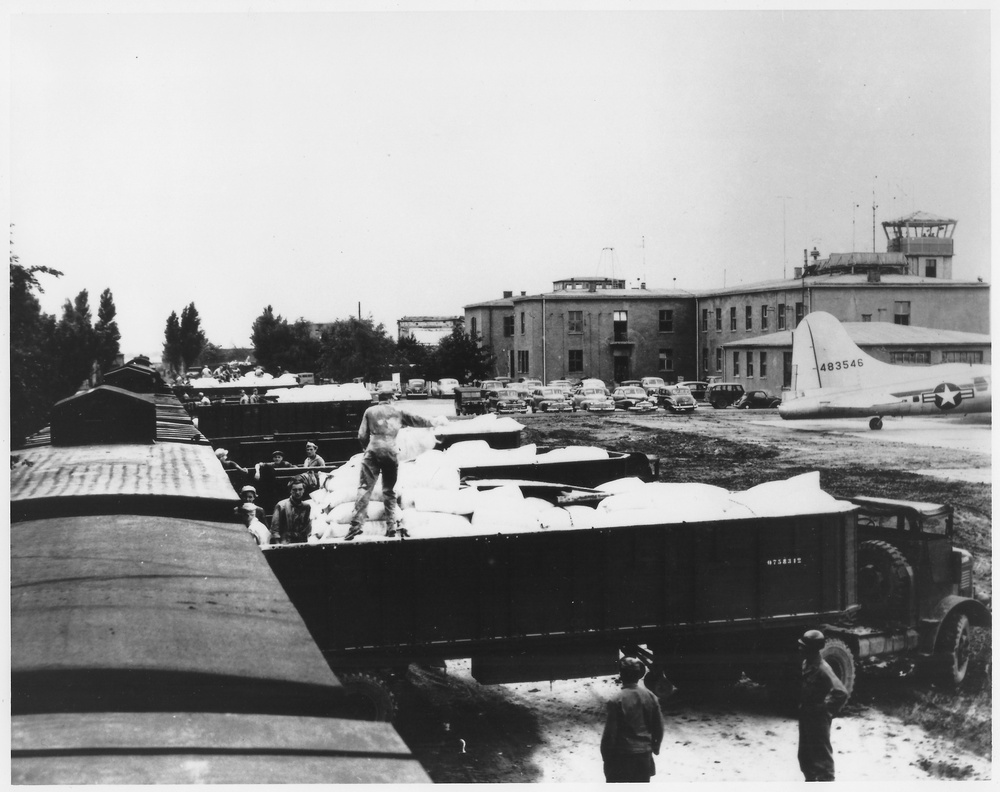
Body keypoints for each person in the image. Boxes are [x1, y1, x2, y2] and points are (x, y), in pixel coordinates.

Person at [345, 391, 445, 540]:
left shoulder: (370, 411)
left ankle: (356, 526)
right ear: (391, 399)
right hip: (391, 451)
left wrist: (367, 448)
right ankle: (391, 527)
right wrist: (433, 422)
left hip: (373, 449)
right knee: (389, 490)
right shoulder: (397, 412)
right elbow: (416, 420)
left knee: (365, 488)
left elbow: (361, 435)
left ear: (379, 400)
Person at [600, 656, 663, 783]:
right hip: (644, 757)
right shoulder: (650, 696)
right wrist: (655, 747)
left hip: (622, 757)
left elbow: (610, 734)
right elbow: (659, 727)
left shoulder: (617, 700)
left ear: (621, 675)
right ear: (638, 675)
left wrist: (606, 756)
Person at [797, 629, 849, 782]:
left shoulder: (822, 669)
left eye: (803, 646)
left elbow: (841, 692)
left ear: (811, 649)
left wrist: (825, 710)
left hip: (817, 718)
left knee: (822, 758)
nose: (800, 648)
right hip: (807, 714)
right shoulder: (807, 663)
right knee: (805, 756)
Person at [270, 478, 312, 545]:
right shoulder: (281, 505)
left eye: (300, 489)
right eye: (294, 490)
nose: (297, 492)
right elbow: (275, 530)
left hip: (301, 541)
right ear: (290, 491)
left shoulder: (306, 507)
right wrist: (278, 546)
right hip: (285, 541)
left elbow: (307, 527)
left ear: (304, 490)